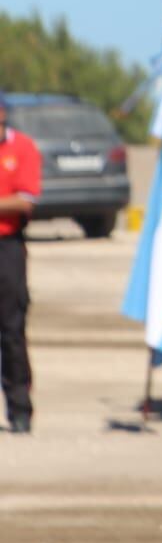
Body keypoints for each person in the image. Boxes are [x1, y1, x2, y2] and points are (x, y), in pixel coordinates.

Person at [0, 89, 41, 434]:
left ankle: (19, 408)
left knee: (11, 330)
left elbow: (24, 202)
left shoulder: (22, 148)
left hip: (7, 247)